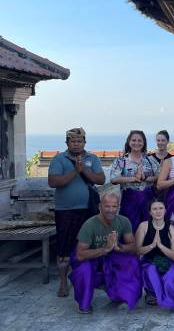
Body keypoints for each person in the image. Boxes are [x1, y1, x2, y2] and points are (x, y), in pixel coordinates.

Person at [48, 127, 105, 298]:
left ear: (84, 143)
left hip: (89, 210)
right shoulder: (59, 159)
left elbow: (101, 179)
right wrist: (75, 171)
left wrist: (84, 171)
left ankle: (90, 279)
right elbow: (53, 182)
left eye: (80, 141)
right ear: (67, 143)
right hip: (66, 211)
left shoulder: (92, 158)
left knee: (90, 245)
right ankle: (64, 283)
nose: (76, 144)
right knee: (64, 247)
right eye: (73, 141)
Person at [69, 192, 142, 314]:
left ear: (119, 207)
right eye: (107, 206)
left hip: (111, 256)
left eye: (114, 206)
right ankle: (84, 303)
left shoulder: (123, 221)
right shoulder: (89, 225)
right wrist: (105, 249)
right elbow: (80, 255)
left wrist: (120, 247)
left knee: (132, 262)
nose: (111, 210)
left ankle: (122, 294)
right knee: (84, 270)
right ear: (100, 207)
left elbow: (133, 246)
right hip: (91, 258)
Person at [135, 198, 174, 311]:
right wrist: (152, 245)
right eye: (154, 209)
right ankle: (152, 293)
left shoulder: (171, 229)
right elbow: (137, 251)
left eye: (161, 208)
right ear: (150, 212)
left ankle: (171, 300)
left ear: (165, 210)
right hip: (149, 261)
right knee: (151, 270)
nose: (158, 211)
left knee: (169, 278)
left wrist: (160, 245)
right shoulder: (144, 226)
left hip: (167, 262)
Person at [110, 130, 160, 232]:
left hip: (148, 200)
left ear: (144, 142)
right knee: (129, 228)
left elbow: (159, 176)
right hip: (129, 200)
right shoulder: (121, 160)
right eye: (134, 140)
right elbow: (114, 179)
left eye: (139, 140)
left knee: (148, 228)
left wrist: (144, 178)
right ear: (129, 142)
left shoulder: (150, 159)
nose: (136, 143)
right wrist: (133, 178)